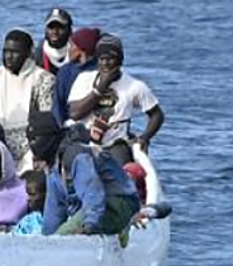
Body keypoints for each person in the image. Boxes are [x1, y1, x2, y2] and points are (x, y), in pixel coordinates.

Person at [65, 34, 165, 168]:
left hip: (116, 144)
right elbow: (75, 113)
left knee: (121, 170)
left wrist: (145, 137)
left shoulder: (134, 86)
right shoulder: (84, 79)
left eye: (111, 59)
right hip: (85, 141)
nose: (106, 63)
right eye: (102, 59)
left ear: (120, 61)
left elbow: (157, 115)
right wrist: (101, 87)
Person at [0, 29, 54, 168]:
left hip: (31, 152)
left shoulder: (44, 79)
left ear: (28, 53)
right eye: (6, 51)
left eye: (15, 52)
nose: (9, 56)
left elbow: (46, 125)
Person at [42, 149, 140, 237]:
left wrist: (89, 225)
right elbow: (53, 215)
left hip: (115, 205)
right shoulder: (54, 173)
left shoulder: (79, 157)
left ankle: (123, 228)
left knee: (64, 233)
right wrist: (46, 242)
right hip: (98, 211)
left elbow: (94, 196)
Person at [51, 26, 100, 129]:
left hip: (73, 127)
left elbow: (58, 105)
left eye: (72, 45)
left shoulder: (66, 72)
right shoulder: (102, 69)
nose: (68, 49)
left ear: (81, 49)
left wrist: (60, 128)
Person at [34, 7, 73, 74]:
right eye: (51, 27)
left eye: (60, 27)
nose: (55, 31)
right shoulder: (37, 54)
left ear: (70, 30)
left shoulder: (77, 52)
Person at [12, 170, 47, 235]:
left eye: (32, 194)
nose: (27, 199)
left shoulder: (59, 219)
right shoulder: (27, 222)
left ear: (45, 194)